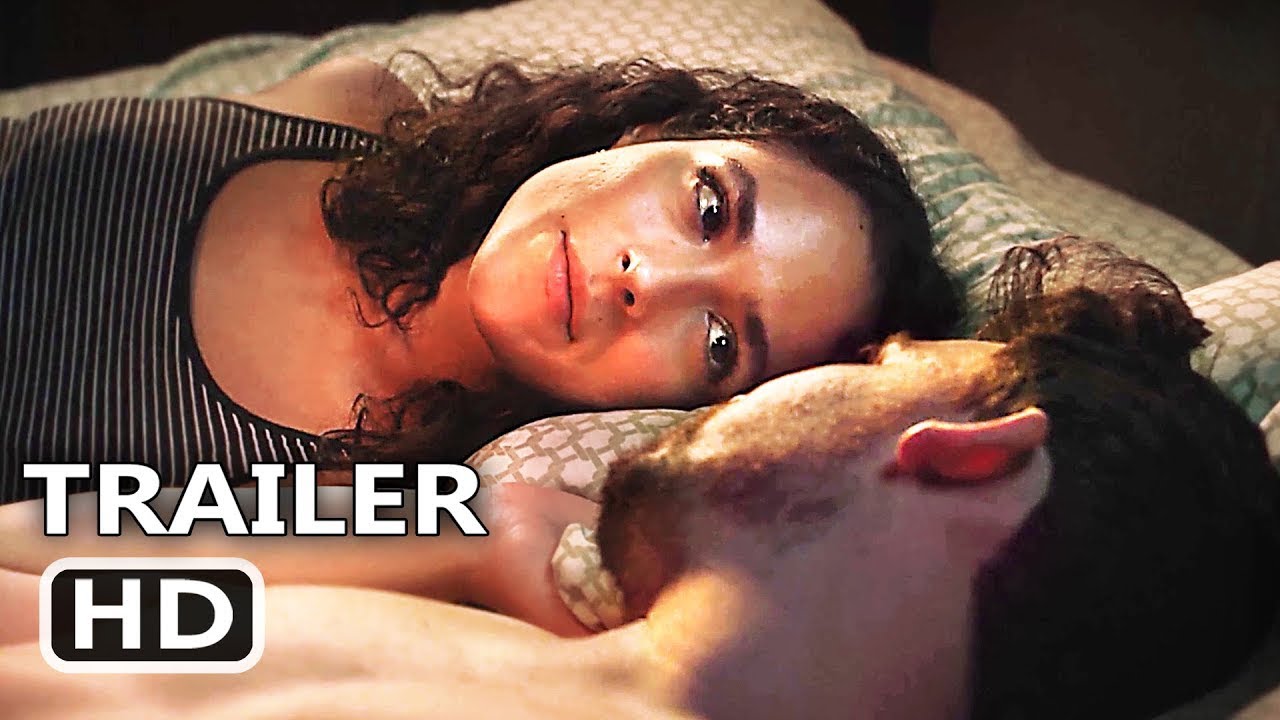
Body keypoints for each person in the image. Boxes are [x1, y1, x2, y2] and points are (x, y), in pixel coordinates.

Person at [2, 237, 1276, 720]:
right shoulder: (503, 630)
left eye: (872, 364)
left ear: (963, 452)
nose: (736, 392)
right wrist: (462, 517)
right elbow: (43, 588)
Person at [0, 55, 961, 504]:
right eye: (709, 208)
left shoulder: (374, 508)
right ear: (646, 135)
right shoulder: (357, 104)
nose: (651, 280)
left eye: (719, 343)